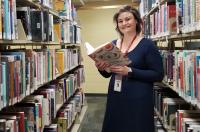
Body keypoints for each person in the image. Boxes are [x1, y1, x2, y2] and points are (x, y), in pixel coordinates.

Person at [94, 5, 164, 132]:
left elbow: (158, 74)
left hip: (138, 98)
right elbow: (108, 74)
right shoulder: (113, 44)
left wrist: (130, 71)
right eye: (120, 21)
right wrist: (101, 68)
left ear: (136, 21)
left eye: (128, 19)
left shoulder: (147, 45)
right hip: (116, 96)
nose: (124, 23)